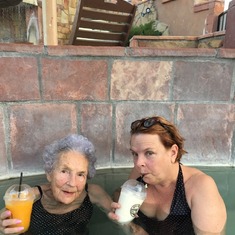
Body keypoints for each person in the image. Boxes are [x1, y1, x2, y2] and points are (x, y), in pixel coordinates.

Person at [109, 116, 227, 235]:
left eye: (149, 153)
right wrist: (130, 225)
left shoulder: (200, 187)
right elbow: (118, 194)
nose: (138, 163)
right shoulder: (140, 174)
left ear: (173, 153)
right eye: (135, 154)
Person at [0, 134, 113, 235]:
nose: (72, 183)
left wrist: (126, 223)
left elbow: (120, 219)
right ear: (49, 173)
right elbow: (5, 216)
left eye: (80, 174)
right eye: (64, 171)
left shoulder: (93, 193)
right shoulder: (31, 196)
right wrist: (2, 226)